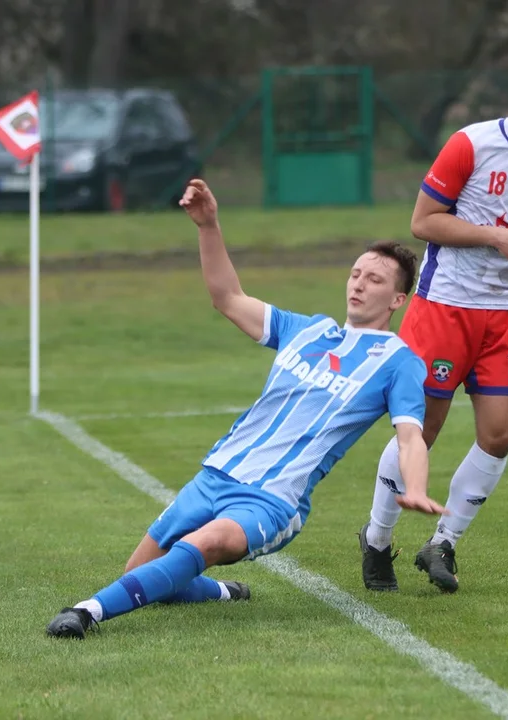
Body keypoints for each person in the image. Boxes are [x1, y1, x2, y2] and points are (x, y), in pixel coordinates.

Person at [47, 179, 447, 639]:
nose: (359, 284)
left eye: (375, 280)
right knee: (145, 572)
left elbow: (410, 435)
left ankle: (86, 612)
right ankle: (221, 592)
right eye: (356, 273)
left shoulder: (400, 363)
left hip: (274, 498)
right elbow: (228, 298)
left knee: (206, 543)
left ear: (398, 300)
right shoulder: (308, 330)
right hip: (216, 474)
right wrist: (208, 226)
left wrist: (415, 486)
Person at [358, 61, 508, 594]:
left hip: (502, 318)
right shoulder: (470, 144)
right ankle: (376, 539)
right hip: (442, 308)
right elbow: (422, 223)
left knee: (500, 433)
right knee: (422, 430)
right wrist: (493, 236)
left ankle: (442, 544)